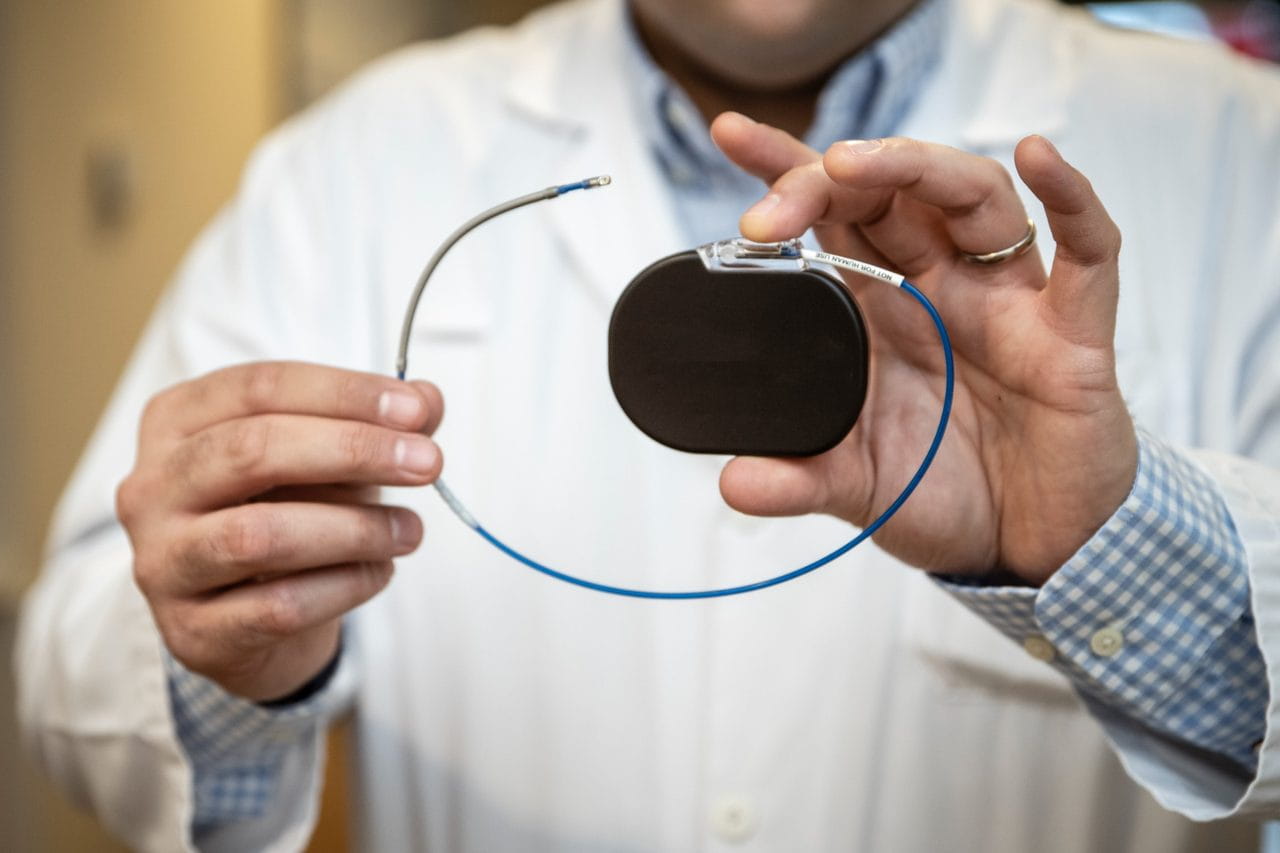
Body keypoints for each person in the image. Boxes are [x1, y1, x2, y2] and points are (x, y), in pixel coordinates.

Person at [15, 0, 1280, 849]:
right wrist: (220, 643)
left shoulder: (1240, 146)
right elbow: (74, 666)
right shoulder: (347, 167)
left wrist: (1116, 548)